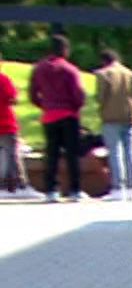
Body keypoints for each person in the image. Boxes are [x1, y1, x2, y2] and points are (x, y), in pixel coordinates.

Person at [28, 34, 87, 202]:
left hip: (50, 116)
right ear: (65, 50)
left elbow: (33, 94)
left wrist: (45, 105)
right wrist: (76, 106)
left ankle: (51, 190)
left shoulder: (39, 68)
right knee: (72, 154)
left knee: (51, 154)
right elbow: (78, 95)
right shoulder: (70, 69)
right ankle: (75, 190)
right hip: (69, 115)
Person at [95, 49, 132, 200]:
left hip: (111, 118)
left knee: (115, 153)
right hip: (130, 118)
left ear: (104, 61)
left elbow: (100, 98)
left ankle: (118, 188)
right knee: (130, 152)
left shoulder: (104, 74)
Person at [0, 50, 40, 199]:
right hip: (6, 123)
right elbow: (12, 98)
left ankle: (3, 186)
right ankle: (20, 185)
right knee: (13, 156)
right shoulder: (3, 79)